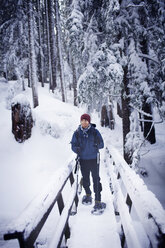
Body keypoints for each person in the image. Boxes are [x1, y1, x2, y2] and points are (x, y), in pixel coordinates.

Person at [71, 113, 105, 211]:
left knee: (96, 180)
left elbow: (102, 144)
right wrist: (77, 149)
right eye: (82, 120)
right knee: (85, 178)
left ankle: (98, 200)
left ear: (89, 121)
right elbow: (73, 145)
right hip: (83, 160)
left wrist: (97, 145)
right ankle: (88, 195)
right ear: (80, 121)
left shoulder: (94, 132)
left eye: (86, 120)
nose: (84, 122)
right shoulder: (77, 133)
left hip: (94, 160)